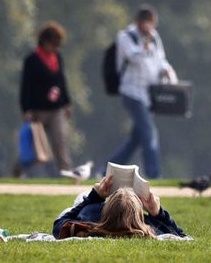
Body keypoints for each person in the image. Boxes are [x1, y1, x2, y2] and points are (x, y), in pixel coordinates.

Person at [104, 5, 176, 179]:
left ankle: (107, 171)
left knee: (136, 139)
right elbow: (133, 56)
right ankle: (154, 174)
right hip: (132, 92)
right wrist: (145, 44)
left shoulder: (155, 38)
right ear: (138, 22)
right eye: (146, 24)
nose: (150, 28)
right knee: (149, 133)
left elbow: (160, 60)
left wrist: (167, 72)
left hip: (149, 94)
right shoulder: (125, 37)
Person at [16, 21, 73, 176]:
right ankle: (18, 172)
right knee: (33, 147)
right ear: (44, 41)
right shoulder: (32, 60)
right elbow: (25, 86)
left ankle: (66, 175)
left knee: (60, 142)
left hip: (56, 110)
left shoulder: (57, 58)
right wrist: (26, 109)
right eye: (53, 44)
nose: (55, 48)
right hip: (37, 111)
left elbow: (62, 81)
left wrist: (67, 102)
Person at [52, 175, 186, 239]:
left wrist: (94, 197)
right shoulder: (150, 228)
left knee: (80, 200)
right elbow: (180, 236)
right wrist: (157, 213)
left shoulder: (92, 213)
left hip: (90, 213)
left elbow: (60, 224)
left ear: (106, 209)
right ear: (138, 215)